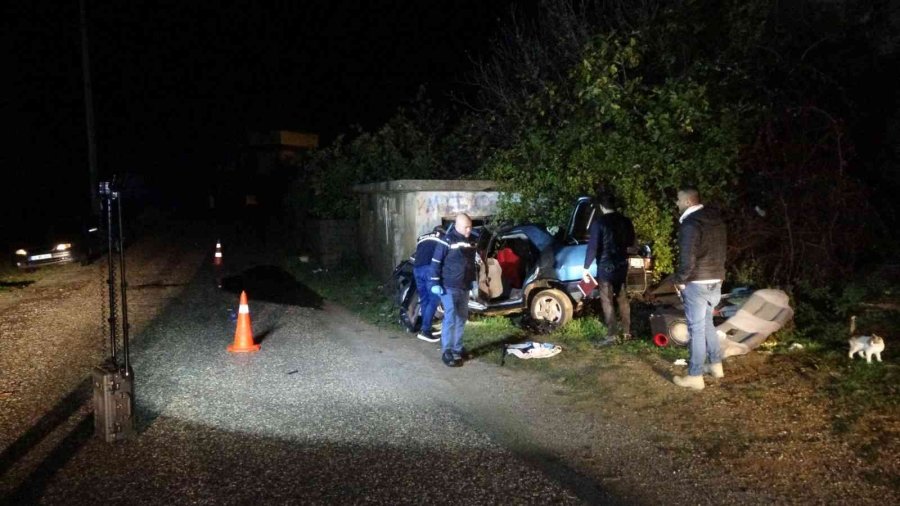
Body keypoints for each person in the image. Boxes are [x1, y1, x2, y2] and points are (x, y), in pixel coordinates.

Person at [671, 187, 728, 391]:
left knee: (696, 329)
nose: (676, 203)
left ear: (688, 202)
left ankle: (695, 375)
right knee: (707, 324)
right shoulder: (716, 221)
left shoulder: (690, 224)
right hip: (716, 279)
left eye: (678, 199)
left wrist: (679, 280)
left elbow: (687, 259)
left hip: (697, 282)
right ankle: (716, 365)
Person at [582, 192, 636, 346]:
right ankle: (627, 332)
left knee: (607, 300)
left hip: (605, 268)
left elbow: (593, 247)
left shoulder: (599, 223)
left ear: (601, 206)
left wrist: (586, 268)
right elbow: (631, 242)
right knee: (622, 298)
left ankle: (612, 334)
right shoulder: (626, 221)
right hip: (621, 265)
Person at [429, 214, 476, 367]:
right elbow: (436, 262)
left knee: (461, 318)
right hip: (448, 287)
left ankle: (457, 348)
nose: (469, 230)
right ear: (457, 226)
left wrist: (473, 281)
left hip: (464, 287)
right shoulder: (447, 240)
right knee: (450, 318)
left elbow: (470, 263)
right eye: (466, 227)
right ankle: (447, 351)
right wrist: (435, 282)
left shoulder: (471, 241)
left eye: (470, 227)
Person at [412, 226, 444, 343]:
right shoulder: (442, 238)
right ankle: (425, 330)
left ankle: (426, 327)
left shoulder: (422, 238)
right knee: (434, 299)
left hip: (417, 269)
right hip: (429, 269)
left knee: (424, 300)